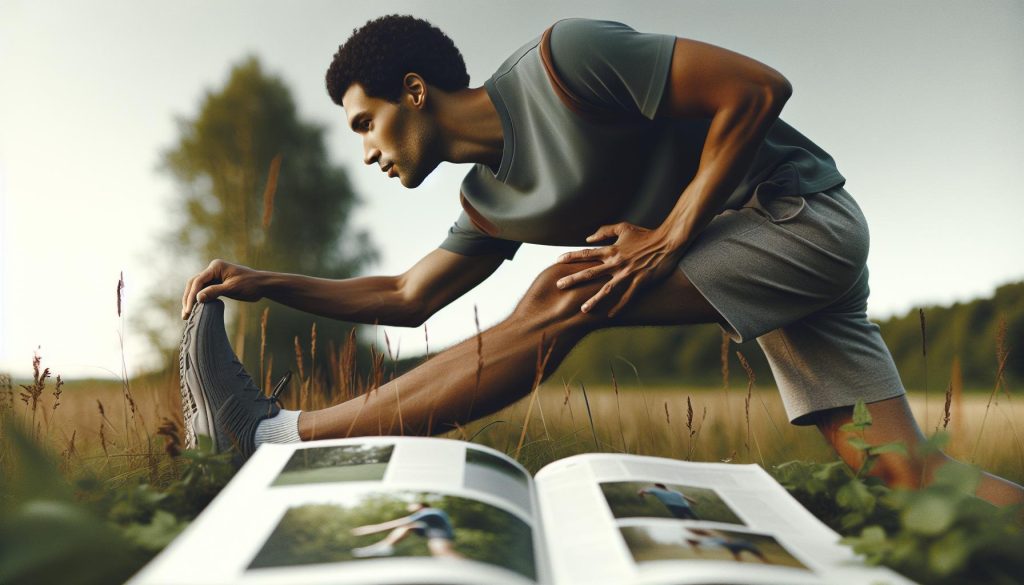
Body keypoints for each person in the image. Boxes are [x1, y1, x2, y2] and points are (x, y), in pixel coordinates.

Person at [178, 15, 1024, 507]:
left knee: (567, 288)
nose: (366, 151)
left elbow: (757, 86)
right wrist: (263, 282)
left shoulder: (566, 63)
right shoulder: (490, 199)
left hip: (800, 218)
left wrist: (674, 230)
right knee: (907, 476)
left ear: (413, 90)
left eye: (364, 123)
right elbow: (405, 296)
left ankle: (272, 438)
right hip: (762, 260)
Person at [350, 502, 462, 559]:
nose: (409, 507)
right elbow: (409, 527)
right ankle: (385, 546)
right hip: (435, 535)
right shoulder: (428, 518)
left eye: (411, 505)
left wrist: (371, 529)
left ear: (420, 505)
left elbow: (397, 523)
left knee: (446, 557)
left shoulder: (430, 512)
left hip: (441, 538)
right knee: (407, 527)